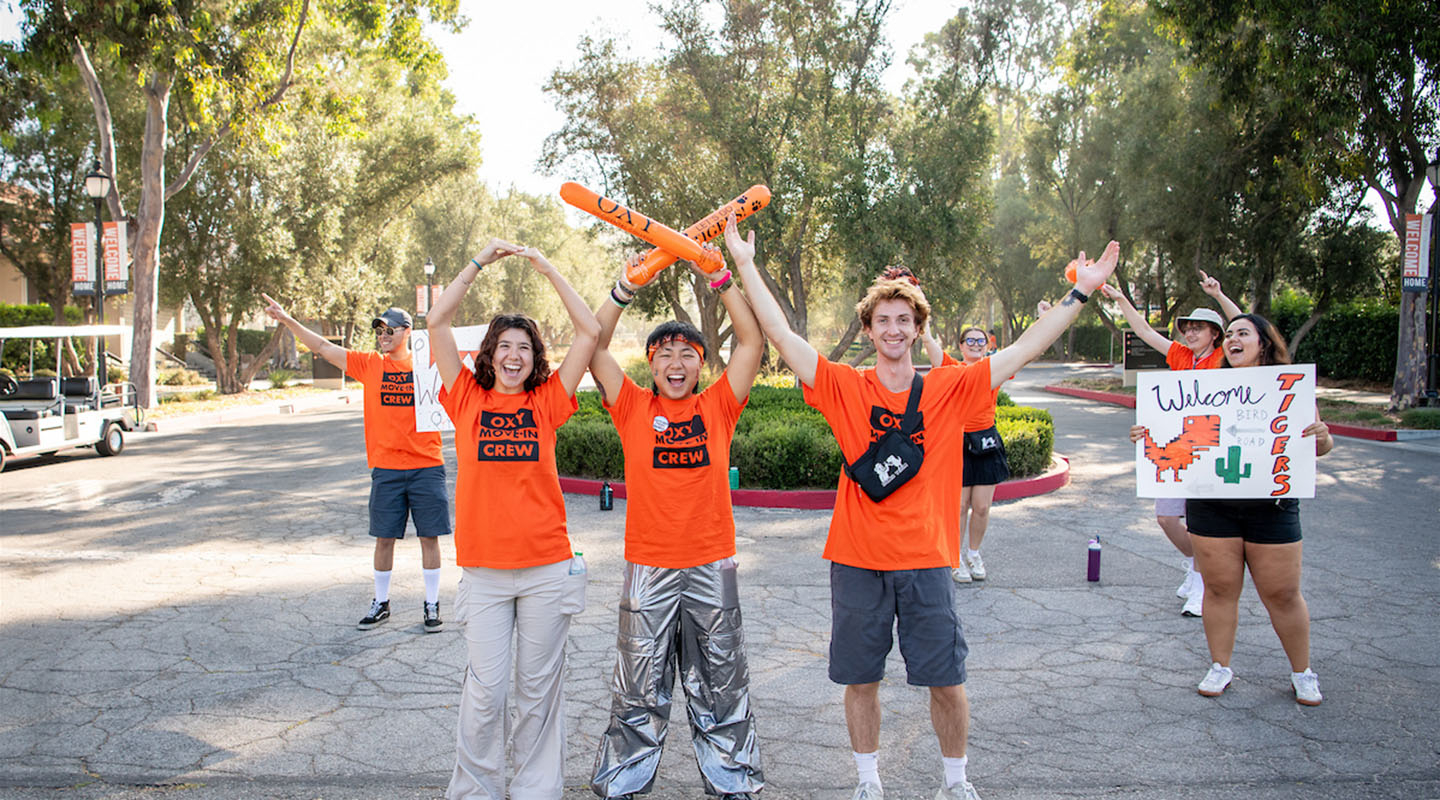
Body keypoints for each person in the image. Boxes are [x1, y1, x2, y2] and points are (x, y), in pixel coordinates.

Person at [728, 212, 1120, 800]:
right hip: (858, 561)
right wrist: (746, 265)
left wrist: (1080, 292)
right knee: (861, 680)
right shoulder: (843, 386)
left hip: (928, 561)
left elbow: (1026, 348)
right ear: (868, 329)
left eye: (903, 320)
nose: (893, 328)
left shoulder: (950, 387)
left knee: (947, 681)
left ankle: (956, 782)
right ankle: (868, 781)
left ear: (917, 329)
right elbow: (783, 336)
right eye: (883, 319)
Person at [587, 229, 766, 800]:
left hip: (712, 564)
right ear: (651, 364)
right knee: (638, 680)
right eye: (664, 354)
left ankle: (733, 778)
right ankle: (623, 777)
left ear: (701, 365)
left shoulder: (718, 406)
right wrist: (623, 289)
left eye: (687, 354)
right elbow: (593, 347)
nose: (676, 362)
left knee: (722, 677)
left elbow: (752, 342)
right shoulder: (632, 407)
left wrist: (721, 275)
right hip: (649, 566)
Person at [426, 239, 600, 800]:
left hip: (548, 568)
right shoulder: (465, 398)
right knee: (486, 692)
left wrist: (547, 266)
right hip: (485, 572)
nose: (514, 354)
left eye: (524, 346)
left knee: (538, 692)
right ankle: (475, 792)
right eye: (504, 345)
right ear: (489, 353)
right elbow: (437, 319)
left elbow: (590, 333)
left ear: (534, 356)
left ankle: (536, 792)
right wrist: (478, 262)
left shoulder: (548, 400)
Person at [1129, 313, 1332, 706]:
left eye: (1244, 333)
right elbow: (1179, 436)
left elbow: (1318, 448)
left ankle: (1302, 672)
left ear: (1264, 344)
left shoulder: (1288, 388)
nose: (1233, 340)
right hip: (1211, 506)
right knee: (1220, 590)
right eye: (1231, 335)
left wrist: (1322, 438)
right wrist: (1147, 434)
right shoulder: (1203, 385)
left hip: (1272, 505)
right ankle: (1220, 665)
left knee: (1283, 594)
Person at [263, 295, 450, 632]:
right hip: (387, 469)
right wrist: (287, 320)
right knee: (383, 539)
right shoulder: (369, 365)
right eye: (378, 329)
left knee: (429, 538)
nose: (382, 334)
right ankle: (381, 602)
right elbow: (320, 346)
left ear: (407, 331)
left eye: (389, 328)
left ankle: (432, 604)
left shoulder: (428, 366)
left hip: (427, 465)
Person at [1100, 271, 1241, 617]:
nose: (1190, 332)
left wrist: (1219, 296)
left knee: (1200, 521)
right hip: (1180, 446)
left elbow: (1245, 325)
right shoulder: (1180, 355)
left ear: (1215, 334)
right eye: (1187, 327)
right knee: (1166, 517)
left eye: (1199, 328)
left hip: (1213, 447)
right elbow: (1146, 332)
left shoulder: (1225, 356)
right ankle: (1196, 561)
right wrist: (1121, 301)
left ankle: (1201, 586)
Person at [924, 325, 1012, 584]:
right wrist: (921, 307)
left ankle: (973, 553)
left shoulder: (993, 369)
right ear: (961, 346)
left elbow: (1026, 352)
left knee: (982, 507)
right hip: (958, 442)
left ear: (988, 346)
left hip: (985, 441)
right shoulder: (952, 367)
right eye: (969, 340)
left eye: (980, 341)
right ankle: (955, 557)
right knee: (960, 506)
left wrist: (1044, 317)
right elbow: (928, 341)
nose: (975, 344)